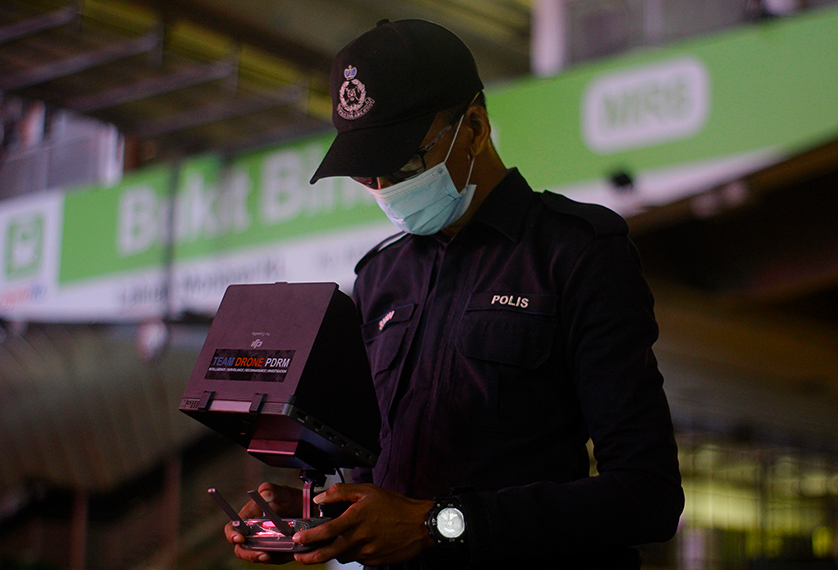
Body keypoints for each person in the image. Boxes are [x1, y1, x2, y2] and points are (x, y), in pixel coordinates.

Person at [225, 18, 684, 570]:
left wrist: (437, 525)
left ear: (473, 128)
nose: (383, 190)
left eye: (400, 166)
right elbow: (381, 484)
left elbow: (647, 496)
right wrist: (319, 520)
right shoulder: (380, 277)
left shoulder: (575, 254)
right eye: (366, 175)